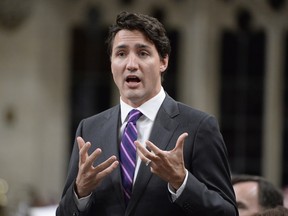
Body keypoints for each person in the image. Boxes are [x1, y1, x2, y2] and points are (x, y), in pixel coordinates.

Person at [56, 11, 238, 216]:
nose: (131, 64)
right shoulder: (89, 129)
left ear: (163, 62)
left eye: (143, 53)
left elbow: (227, 212)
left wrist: (182, 182)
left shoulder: (198, 127)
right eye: (121, 54)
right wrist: (80, 192)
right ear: (111, 63)